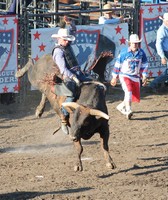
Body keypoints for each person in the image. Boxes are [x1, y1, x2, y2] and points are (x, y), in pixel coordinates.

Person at [51, 28, 92, 134]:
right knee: (71, 94)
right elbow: (63, 69)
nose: (67, 41)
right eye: (65, 39)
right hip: (68, 77)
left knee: (93, 82)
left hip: (77, 73)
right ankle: (63, 118)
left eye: (68, 39)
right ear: (59, 39)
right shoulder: (58, 51)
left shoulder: (68, 47)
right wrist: (73, 77)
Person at [110, 34, 148, 119]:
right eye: (133, 43)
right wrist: (114, 77)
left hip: (135, 76)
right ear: (130, 43)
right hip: (124, 75)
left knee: (132, 94)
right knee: (128, 91)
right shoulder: (124, 52)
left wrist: (144, 75)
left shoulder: (141, 53)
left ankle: (121, 106)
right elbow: (118, 64)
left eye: (136, 43)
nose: (135, 45)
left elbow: (144, 65)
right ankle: (128, 110)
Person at [147, 13, 168, 92]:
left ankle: (154, 84)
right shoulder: (162, 30)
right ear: (165, 21)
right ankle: (153, 84)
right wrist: (162, 56)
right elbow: (158, 44)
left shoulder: (165, 29)